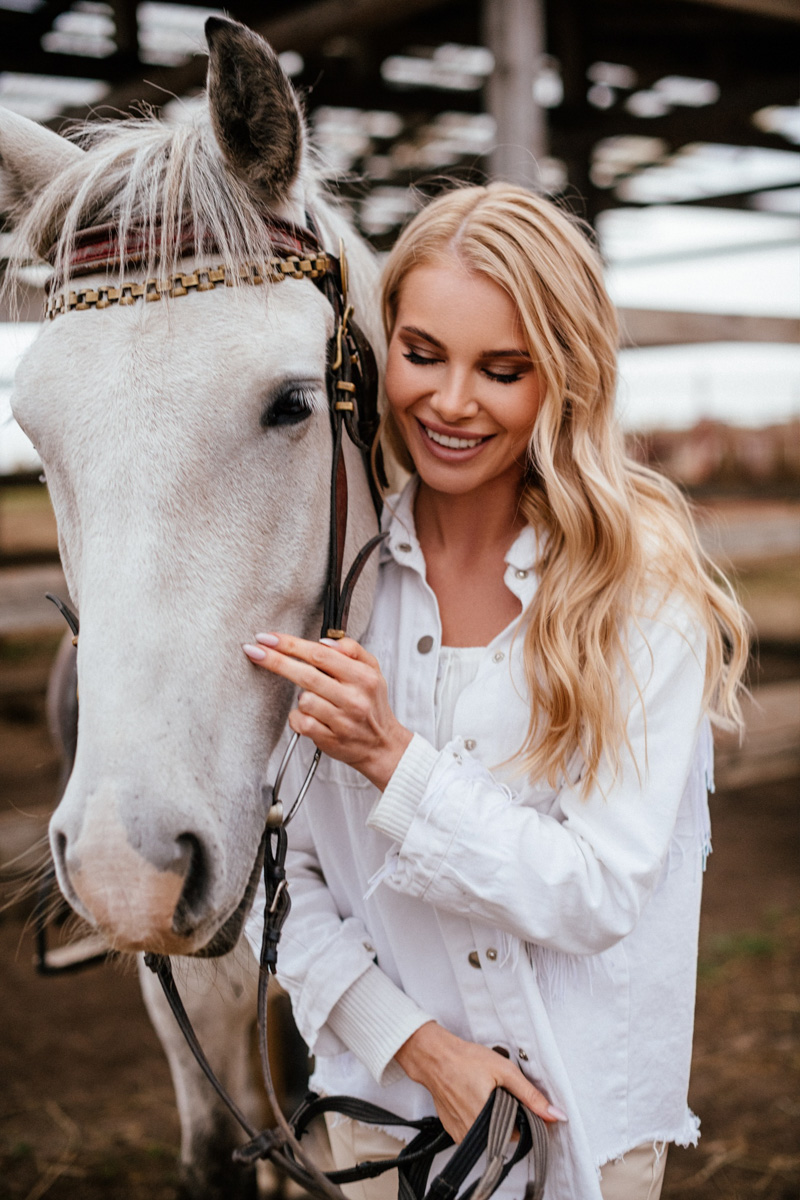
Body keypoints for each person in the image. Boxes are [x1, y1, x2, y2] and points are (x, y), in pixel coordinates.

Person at [242, 183, 749, 1200]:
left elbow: (596, 891)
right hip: (382, 1125)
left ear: (564, 376)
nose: (451, 401)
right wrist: (420, 1048)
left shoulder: (639, 594)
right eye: (422, 354)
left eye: (502, 370)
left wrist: (393, 761)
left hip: (583, 1140)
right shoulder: (323, 587)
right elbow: (276, 882)